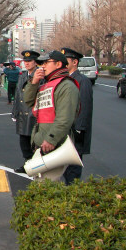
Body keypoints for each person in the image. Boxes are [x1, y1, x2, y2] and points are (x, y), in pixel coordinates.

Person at [23, 50, 80, 181]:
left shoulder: (67, 86)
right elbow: (28, 101)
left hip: (54, 145)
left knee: (46, 184)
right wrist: (34, 82)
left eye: (46, 63)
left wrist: (51, 139)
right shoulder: (46, 84)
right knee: (41, 183)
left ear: (58, 64)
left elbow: (64, 118)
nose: (42, 66)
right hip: (44, 143)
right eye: (41, 63)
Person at [61, 47, 93, 184]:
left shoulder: (82, 80)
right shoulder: (65, 79)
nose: (62, 64)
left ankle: (72, 197)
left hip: (75, 132)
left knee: (73, 171)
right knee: (65, 169)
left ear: (75, 62)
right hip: (65, 132)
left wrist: (79, 129)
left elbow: (84, 107)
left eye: (65, 61)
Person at [12, 50, 41, 173]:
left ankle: (36, 165)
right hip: (22, 112)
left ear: (35, 62)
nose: (27, 63)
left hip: (33, 112)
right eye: (25, 61)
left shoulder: (40, 75)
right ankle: (27, 163)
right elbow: (18, 95)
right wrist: (14, 112)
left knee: (34, 140)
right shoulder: (23, 76)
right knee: (23, 139)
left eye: (30, 61)